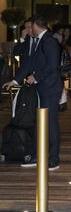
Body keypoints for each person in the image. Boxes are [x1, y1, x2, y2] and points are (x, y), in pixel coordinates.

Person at [3, 14, 63, 171]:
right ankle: (40, 155)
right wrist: (15, 81)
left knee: (50, 123)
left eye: (31, 27)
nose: (29, 30)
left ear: (37, 26)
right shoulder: (39, 41)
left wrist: (35, 77)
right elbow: (29, 63)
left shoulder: (49, 41)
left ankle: (54, 158)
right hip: (41, 88)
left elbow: (52, 65)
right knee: (40, 123)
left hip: (50, 89)